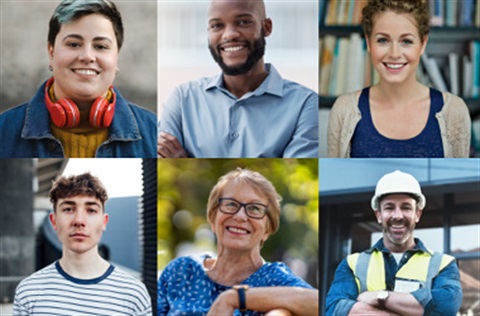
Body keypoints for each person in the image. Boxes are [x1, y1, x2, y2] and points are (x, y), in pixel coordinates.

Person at [157, 0, 318, 158]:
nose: (230, 34)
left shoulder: (305, 104)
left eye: (243, 22)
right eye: (217, 26)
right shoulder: (183, 99)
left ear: (266, 27)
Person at [0, 0, 156, 158]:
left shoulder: (156, 134)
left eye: (101, 46)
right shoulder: (3, 130)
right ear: (51, 52)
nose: (87, 56)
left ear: (116, 57)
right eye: (74, 44)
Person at [158, 168, 319, 315]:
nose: (240, 216)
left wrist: (233, 298)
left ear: (267, 230)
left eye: (255, 208)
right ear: (213, 219)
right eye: (230, 204)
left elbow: (318, 302)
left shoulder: (274, 279)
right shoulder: (181, 270)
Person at [327, 0, 471, 158]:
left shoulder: (454, 111)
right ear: (369, 43)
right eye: (383, 40)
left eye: (406, 41)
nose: (394, 53)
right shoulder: (344, 109)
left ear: (422, 44)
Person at [325, 170, 462, 315]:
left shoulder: (443, 264)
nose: (398, 216)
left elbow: (447, 306)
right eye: (389, 208)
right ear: (379, 215)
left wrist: (380, 297)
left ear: (417, 214)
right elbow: (336, 309)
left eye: (406, 207)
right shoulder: (352, 264)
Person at [13, 172, 152, 315]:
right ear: (54, 221)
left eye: (91, 210)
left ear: (104, 222)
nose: (79, 220)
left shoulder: (134, 294)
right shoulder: (28, 291)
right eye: (68, 209)